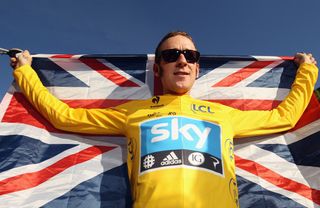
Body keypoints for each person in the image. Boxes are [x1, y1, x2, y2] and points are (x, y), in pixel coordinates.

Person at [10, 31, 318, 208]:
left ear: (197, 68)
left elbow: (285, 116)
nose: (182, 61)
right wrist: (25, 71)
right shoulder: (134, 112)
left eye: (190, 56)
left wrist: (307, 71)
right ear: (158, 70)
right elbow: (65, 116)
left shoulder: (224, 116)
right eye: (171, 56)